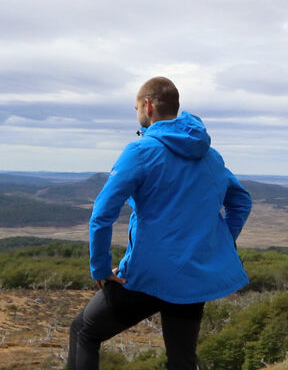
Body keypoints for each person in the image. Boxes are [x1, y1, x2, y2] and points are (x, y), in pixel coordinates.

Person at [67, 76, 252, 370]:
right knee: (181, 360)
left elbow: (102, 214)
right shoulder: (211, 155)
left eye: (137, 107)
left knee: (84, 331)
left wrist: (100, 269)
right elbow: (241, 201)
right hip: (193, 275)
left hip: (147, 276)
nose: (138, 112)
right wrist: (218, 245)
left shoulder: (140, 151)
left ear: (148, 105)